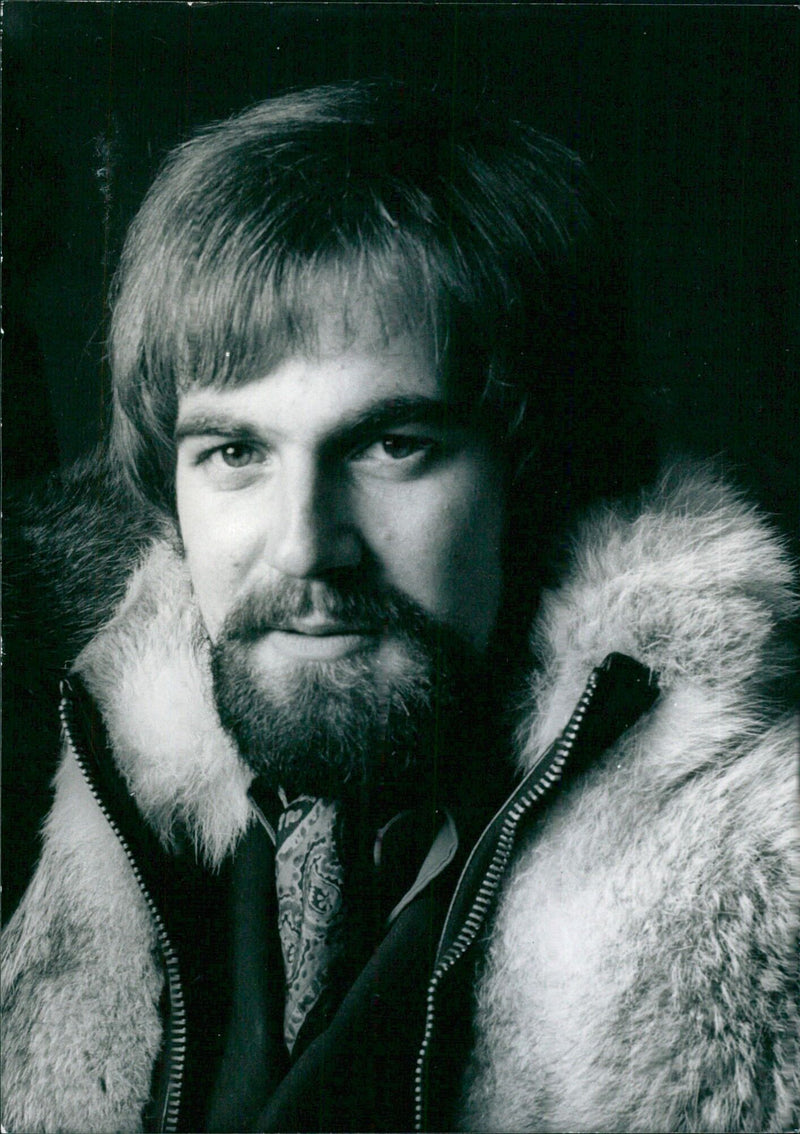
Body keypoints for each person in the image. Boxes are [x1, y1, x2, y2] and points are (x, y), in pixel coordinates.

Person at [2, 80, 798, 1134]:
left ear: (540, 470)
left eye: (393, 445)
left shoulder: (757, 869)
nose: (302, 546)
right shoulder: (110, 801)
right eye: (235, 453)